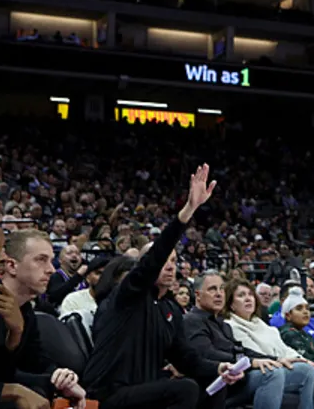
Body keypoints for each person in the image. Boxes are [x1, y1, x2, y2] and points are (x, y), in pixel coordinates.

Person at [84, 164, 245, 409]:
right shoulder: (129, 294)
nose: (170, 266)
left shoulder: (169, 308)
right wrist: (189, 210)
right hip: (107, 393)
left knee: (212, 381)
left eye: (174, 261)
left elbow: (185, 358)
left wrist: (218, 368)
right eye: (164, 261)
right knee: (185, 389)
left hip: (145, 389)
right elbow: (154, 256)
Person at [0, 218, 71, 409]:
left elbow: (1, 372)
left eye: (3, 248)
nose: (3, 257)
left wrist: (62, 380)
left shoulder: (23, 309)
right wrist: (11, 391)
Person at [187, 272, 314, 409]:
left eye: (221, 289)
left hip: (239, 376)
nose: (219, 294)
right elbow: (208, 353)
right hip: (219, 383)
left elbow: (241, 350)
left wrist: (274, 359)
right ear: (198, 295)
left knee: (305, 370)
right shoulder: (193, 320)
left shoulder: (221, 323)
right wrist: (251, 362)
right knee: (272, 373)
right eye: (212, 289)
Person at [0, 229, 89, 405]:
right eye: (41, 260)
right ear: (11, 266)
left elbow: (36, 361)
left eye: (50, 260)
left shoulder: (26, 311)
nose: (51, 270)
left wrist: (60, 377)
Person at [59, 256, 110, 334]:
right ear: (87, 277)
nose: (103, 278)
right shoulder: (73, 300)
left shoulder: (118, 300)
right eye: (98, 273)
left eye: (107, 274)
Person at [42, 243, 87, 314]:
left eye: (78, 254)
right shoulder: (56, 276)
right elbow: (55, 296)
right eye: (69, 253)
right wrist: (77, 276)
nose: (74, 255)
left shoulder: (85, 277)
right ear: (60, 260)